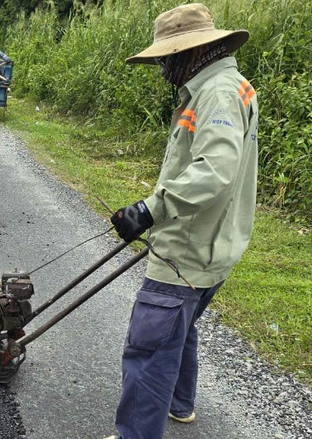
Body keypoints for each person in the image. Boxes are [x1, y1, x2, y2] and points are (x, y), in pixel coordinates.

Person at [103, 4, 258, 439]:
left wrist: (149, 210)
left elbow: (215, 170)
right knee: (181, 329)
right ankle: (181, 403)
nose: (164, 67)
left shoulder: (217, 93)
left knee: (148, 349)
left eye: (168, 57)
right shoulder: (232, 84)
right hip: (215, 246)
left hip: (187, 251)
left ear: (194, 51)